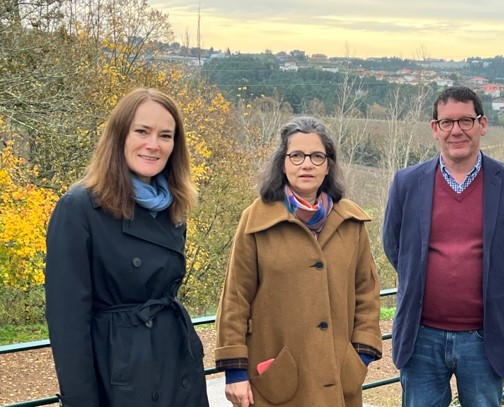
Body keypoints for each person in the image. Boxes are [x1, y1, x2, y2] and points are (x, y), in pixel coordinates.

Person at [44, 88, 209, 407]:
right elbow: (68, 324)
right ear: (120, 135)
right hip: (120, 380)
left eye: (165, 135)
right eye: (142, 131)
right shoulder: (79, 208)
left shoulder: (171, 209)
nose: (153, 145)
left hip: (178, 366)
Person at [382, 86, 504, 406]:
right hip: (421, 336)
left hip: (485, 338)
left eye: (465, 121)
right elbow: (394, 245)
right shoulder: (407, 182)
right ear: (434, 129)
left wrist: (497, 286)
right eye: (446, 122)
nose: (456, 130)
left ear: (482, 124)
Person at [214, 116, 382, 407]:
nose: (307, 164)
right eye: (297, 155)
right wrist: (234, 370)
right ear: (283, 162)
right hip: (277, 380)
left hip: (339, 378)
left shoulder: (351, 221)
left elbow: (366, 292)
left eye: (317, 156)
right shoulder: (256, 221)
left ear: (328, 164)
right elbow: (235, 299)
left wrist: (360, 356)